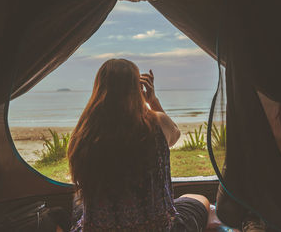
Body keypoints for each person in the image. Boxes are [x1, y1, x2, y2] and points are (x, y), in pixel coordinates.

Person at [68, 59, 210, 231]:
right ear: (137, 88)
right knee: (200, 199)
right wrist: (152, 100)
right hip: (157, 228)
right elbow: (175, 135)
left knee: (78, 201)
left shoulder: (84, 134)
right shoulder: (156, 123)